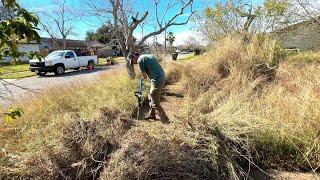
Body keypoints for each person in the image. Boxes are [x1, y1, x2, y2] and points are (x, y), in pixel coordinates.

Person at [127, 52, 169, 123]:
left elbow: (145, 77)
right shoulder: (147, 55)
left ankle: (165, 120)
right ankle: (152, 115)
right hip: (161, 77)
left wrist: (142, 75)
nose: (134, 63)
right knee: (150, 96)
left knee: (155, 102)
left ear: (134, 56)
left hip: (157, 79)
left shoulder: (140, 60)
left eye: (132, 61)